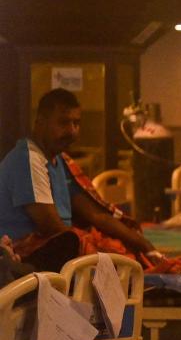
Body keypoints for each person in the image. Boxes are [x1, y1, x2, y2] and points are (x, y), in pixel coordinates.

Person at [0, 89, 156, 271]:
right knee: (82, 246)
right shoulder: (28, 158)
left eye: (76, 123)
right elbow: (52, 228)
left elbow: (96, 215)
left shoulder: (60, 161)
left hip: (64, 244)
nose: (72, 131)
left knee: (126, 246)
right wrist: (97, 247)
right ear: (40, 122)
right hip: (26, 252)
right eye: (64, 122)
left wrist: (144, 244)